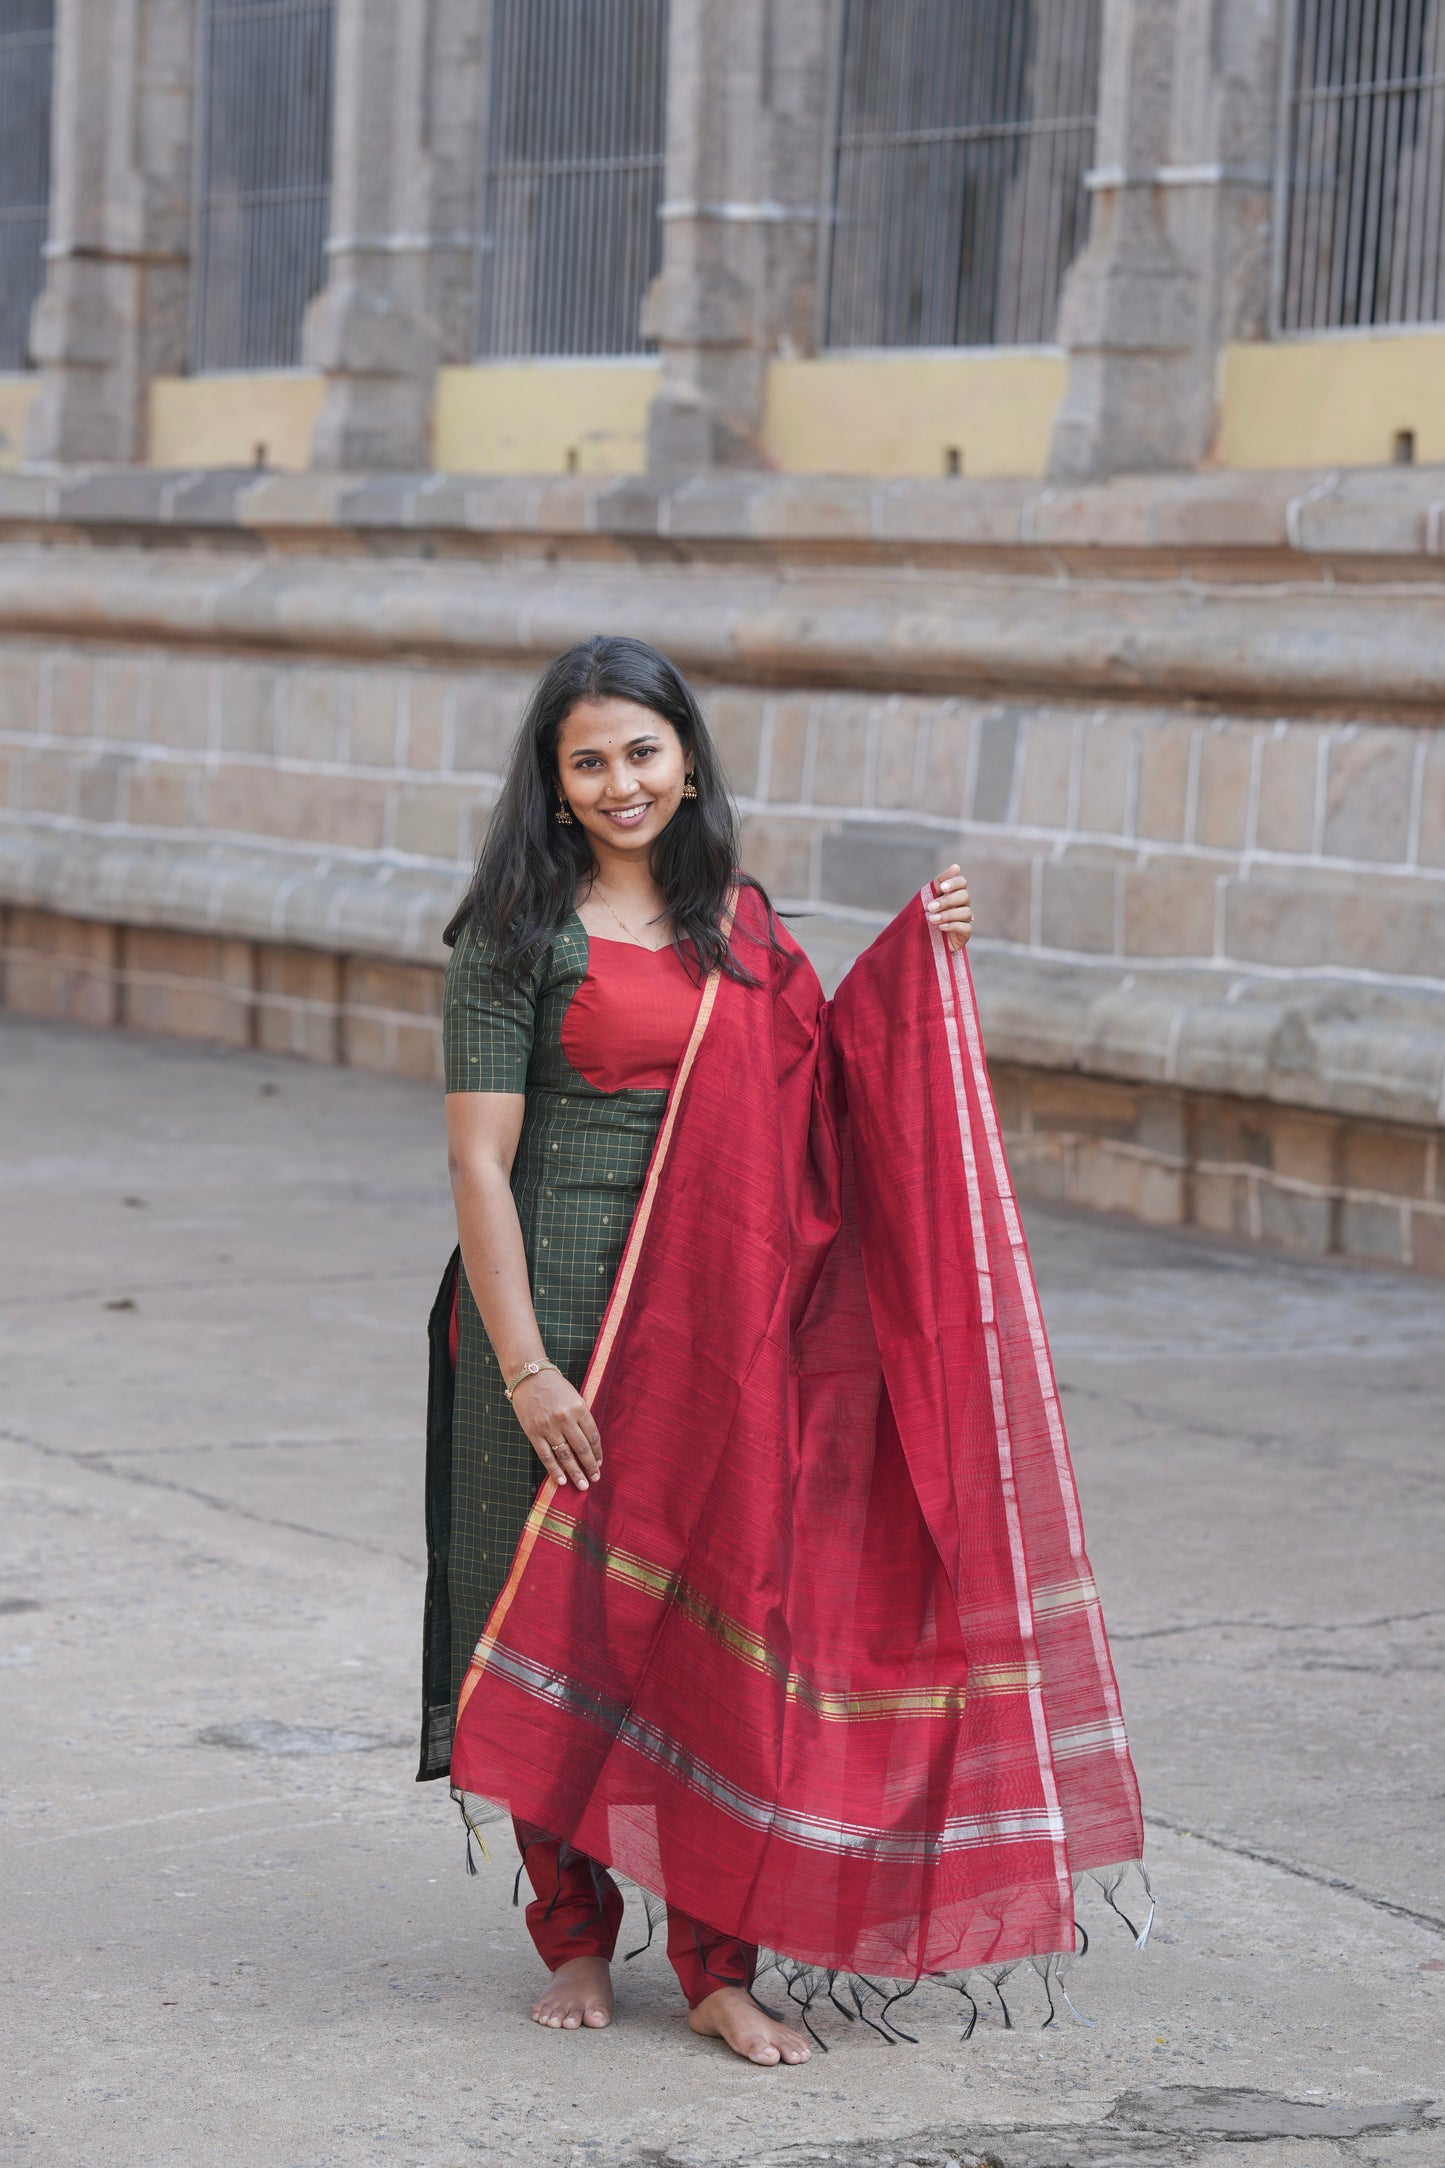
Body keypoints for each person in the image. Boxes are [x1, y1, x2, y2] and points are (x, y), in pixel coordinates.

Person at [419, 635, 1144, 2068]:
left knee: (722, 1628)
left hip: (723, 1329)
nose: (620, 782)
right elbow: (477, 1169)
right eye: (589, 762)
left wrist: (913, 964)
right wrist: (524, 1368)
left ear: (685, 761)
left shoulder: (737, 928)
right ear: (553, 789)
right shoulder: (511, 937)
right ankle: (570, 1929)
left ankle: (709, 1963)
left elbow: (829, 1086)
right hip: (553, 1320)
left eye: (642, 752)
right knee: (555, 1619)